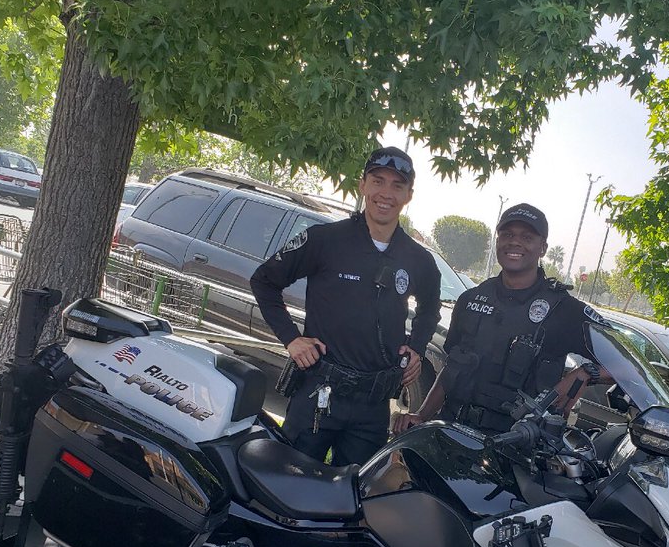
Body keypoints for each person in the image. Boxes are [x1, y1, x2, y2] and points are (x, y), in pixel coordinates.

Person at [250, 147, 441, 467]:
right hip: (317, 396)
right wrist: (291, 339)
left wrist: (417, 347)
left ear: (409, 195)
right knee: (286, 485)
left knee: (354, 499)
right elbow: (264, 281)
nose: (386, 193)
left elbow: (430, 308)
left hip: (373, 406)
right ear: (362, 185)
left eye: (397, 185)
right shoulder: (325, 239)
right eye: (378, 181)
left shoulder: (418, 260)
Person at [395, 203, 607, 437]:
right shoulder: (471, 299)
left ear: (543, 248)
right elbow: (452, 369)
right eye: (507, 235)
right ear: (497, 242)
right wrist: (422, 415)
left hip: (517, 449)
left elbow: (625, 365)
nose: (514, 242)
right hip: (453, 433)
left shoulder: (564, 309)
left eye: (527, 236)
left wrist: (586, 373)